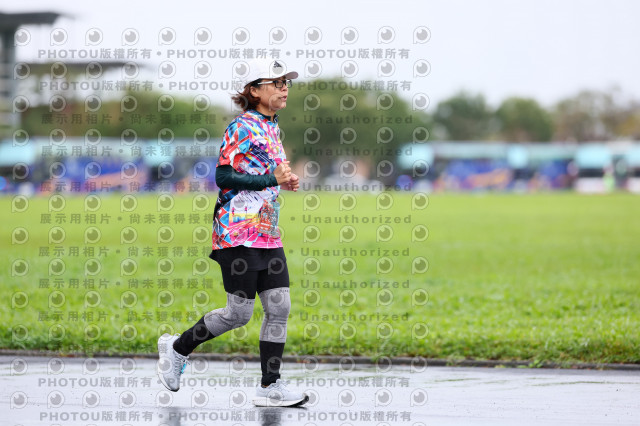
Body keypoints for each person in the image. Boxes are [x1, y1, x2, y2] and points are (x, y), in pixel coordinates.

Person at [157, 58, 308, 407]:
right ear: (253, 90)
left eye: (286, 82)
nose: (284, 88)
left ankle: (270, 386)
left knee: (279, 306)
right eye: (276, 82)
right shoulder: (241, 126)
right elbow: (223, 177)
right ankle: (177, 348)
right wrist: (271, 178)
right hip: (237, 230)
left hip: (267, 229)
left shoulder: (272, 128)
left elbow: (264, 174)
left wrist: (283, 181)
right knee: (238, 313)